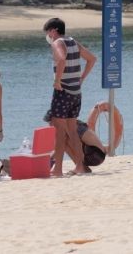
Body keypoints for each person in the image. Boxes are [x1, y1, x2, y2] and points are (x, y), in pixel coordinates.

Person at [43, 17, 96, 176]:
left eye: (48, 32)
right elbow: (92, 59)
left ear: (53, 30)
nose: (48, 36)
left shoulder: (57, 42)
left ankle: (57, 169)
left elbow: (61, 59)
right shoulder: (73, 41)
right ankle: (80, 167)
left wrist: (57, 81)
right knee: (72, 132)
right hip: (76, 92)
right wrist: (81, 78)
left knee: (59, 132)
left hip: (63, 91)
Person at [43, 101, 123, 172]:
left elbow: (77, 145)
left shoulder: (74, 127)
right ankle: (83, 168)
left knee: (64, 141)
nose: (50, 124)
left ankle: (80, 168)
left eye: (51, 122)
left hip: (96, 156)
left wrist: (50, 159)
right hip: (94, 154)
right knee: (64, 142)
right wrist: (50, 158)